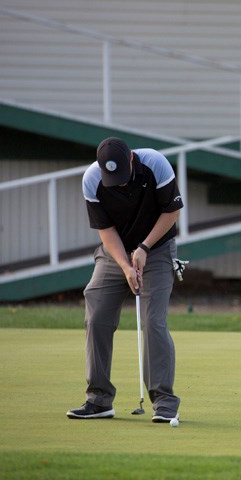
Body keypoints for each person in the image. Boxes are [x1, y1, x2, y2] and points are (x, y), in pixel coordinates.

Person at [67, 137, 184, 423]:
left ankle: (164, 401)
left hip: (156, 250)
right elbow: (105, 230)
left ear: (131, 159)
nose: (118, 184)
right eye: (112, 179)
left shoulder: (155, 164)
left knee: (153, 321)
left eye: (122, 176)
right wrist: (124, 265)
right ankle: (98, 399)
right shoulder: (92, 179)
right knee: (97, 311)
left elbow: (172, 212)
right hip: (114, 251)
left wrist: (143, 249)